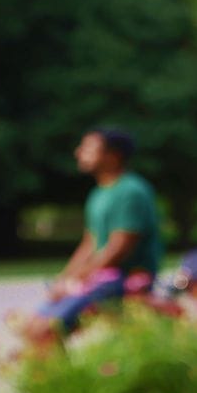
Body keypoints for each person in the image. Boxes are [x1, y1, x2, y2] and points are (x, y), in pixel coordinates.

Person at [37, 128, 165, 335]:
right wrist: (63, 279)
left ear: (112, 156)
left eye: (88, 148)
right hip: (98, 278)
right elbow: (90, 243)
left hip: (123, 282)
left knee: (45, 330)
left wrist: (76, 280)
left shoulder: (130, 191)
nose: (78, 152)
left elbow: (118, 249)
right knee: (33, 325)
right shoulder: (99, 193)